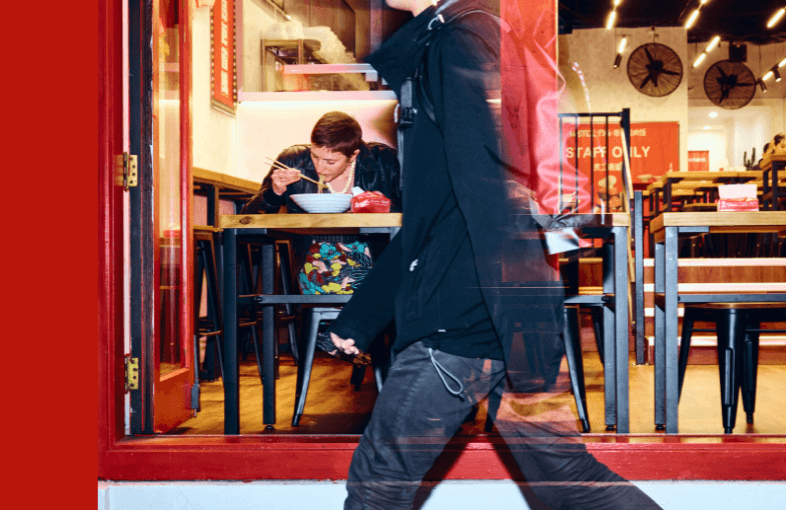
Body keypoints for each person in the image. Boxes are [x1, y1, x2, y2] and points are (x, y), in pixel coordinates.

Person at [325, 1, 661, 509]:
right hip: (506, 308)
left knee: (378, 485)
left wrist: (501, 309)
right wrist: (365, 313)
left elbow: (482, 192)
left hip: (465, 313)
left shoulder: (456, 43)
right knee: (568, 481)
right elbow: (444, 211)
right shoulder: (483, 37)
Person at [243, 111, 401, 294]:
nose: (319, 167)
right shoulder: (293, 160)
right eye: (315, 156)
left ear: (353, 155)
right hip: (310, 255)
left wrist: (384, 207)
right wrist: (274, 192)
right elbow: (248, 224)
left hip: (373, 253)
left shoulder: (383, 161)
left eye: (330, 162)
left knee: (378, 288)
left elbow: (416, 217)